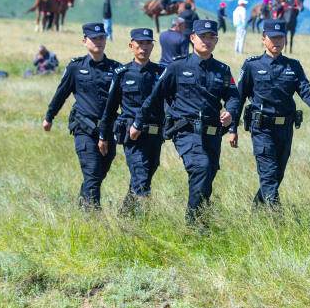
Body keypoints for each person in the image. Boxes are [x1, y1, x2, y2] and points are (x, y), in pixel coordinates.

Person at [129, 20, 240, 227]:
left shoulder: (222, 70)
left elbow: (233, 97)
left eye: (211, 37)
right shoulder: (177, 66)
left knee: (208, 175)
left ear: (216, 40)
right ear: (192, 38)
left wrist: (231, 113)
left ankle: (201, 219)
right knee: (201, 167)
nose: (206, 40)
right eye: (202, 36)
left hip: (213, 133)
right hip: (185, 130)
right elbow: (155, 97)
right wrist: (137, 122)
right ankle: (193, 224)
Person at [232, 19, 310, 209]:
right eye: (272, 37)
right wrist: (233, 128)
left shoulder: (293, 66)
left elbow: (305, 89)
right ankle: (277, 218)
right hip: (262, 128)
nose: (277, 41)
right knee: (269, 173)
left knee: (277, 174)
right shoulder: (251, 66)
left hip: (285, 128)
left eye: (281, 37)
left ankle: (256, 209)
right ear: (263, 39)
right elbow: (238, 98)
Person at [42, 23, 121, 210]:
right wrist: (49, 117)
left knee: (101, 171)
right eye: (94, 39)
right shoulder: (75, 67)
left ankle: (83, 201)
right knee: (92, 172)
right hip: (84, 128)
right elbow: (61, 94)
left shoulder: (116, 68)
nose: (98, 42)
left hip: (108, 129)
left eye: (101, 38)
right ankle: (93, 216)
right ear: (85, 41)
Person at [98, 28, 167, 214]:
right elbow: (110, 108)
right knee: (141, 178)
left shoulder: (161, 73)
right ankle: (143, 222)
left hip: (155, 134)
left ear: (152, 46)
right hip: (132, 136)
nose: (144, 48)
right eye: (139, 44)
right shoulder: (122, 74)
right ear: (131, 46)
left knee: (144, 175)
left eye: (148, 44)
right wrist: (103, 135)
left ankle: (125, 214)